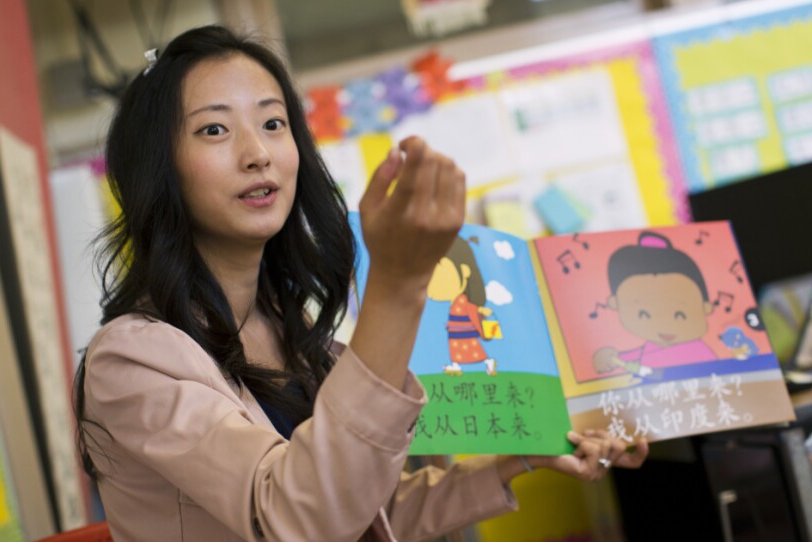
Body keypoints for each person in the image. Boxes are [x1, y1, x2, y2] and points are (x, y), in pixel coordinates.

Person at [75, 25, 648, 542]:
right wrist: (398, 286)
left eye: (273, 123)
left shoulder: (288, 328)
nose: (258, 154)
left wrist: (519, 460)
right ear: (159, 169)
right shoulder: (130, 359)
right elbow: (302, 518)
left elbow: (364, 511)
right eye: (215, 129)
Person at [593, 231, 718, 377]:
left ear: (705, 307)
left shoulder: (700, 353)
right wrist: (609, 359)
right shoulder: (650, 348)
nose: (665, 325)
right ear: (616, 303)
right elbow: (631, 360)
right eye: (644, 314)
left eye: (680, 315)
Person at [426, 236, 498, 376]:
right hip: (457, 333)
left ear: (464, 272)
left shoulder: (463, 302)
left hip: (465, 333)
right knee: (456, 350)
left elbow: (471, 311)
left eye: (438, 274)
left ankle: (488, 363)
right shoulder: (454, 302)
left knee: (473, 351)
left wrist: (481, 312)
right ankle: (457, 365)